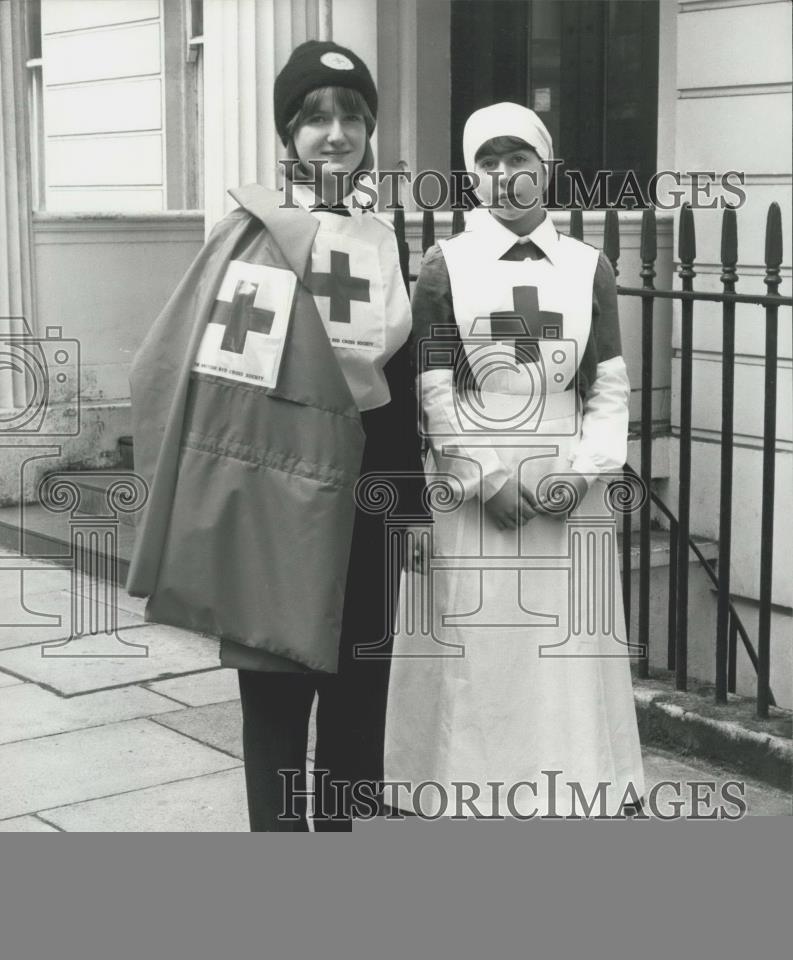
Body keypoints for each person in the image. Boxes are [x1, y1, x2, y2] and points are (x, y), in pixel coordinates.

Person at [127, 40, 422, 830]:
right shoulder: (249, 237)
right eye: (315, 118)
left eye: (352, 117)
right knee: (277, 708)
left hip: (365, 505)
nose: (335, 133)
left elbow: (396, 388)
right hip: (276, 506)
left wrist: (406, 512)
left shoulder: (386, 240)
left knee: (360, 708)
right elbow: (220, 395)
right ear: (287, 136)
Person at [383, 102, 646, 820]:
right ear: (472, 178)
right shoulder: (444, 266)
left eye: (518, 160)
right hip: (478, 471)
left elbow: (608, 382)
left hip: (565, 474)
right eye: (488, 164)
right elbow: (433, 384)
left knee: (563, 646)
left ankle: (572, 781)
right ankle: (465, 784)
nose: (505, 177)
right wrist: (484, 477)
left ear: (545, 168)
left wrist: (584, 470)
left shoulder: (587, 266)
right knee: (481, 639)